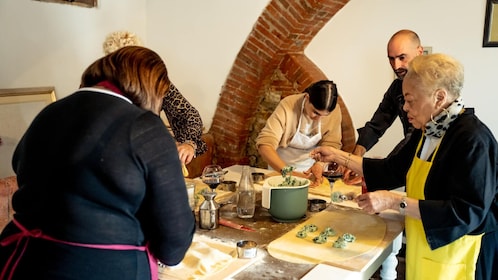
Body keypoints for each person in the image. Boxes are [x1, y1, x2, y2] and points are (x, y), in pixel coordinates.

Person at [0, 46, 195, 279]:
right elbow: (173, 247)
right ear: (153, 88)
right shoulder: (144, 127)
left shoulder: (50, 112)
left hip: (21, 261)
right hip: (103, 268)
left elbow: (20, 166)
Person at [311, 53, 498, 280]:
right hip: (427, 249)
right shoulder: (427, 131)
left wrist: (393, 201)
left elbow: (466, 213)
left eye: (410, 100)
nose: (405, 108)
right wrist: (338, 156)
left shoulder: (473, 139)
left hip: (462, 255)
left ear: (439, 97)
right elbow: (390, 171)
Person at [103, 31, 206, 165]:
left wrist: (189, 144)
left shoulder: (155, 82)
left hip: (151, 157)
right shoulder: (101, 88)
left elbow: (188, 115)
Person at [344, 29, 424, 184]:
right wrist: (355, 158)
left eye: (402, 58)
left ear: (419, 52)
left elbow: (413, 138)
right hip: (411, 170)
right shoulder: (396, 87)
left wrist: (376, 172)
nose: (396, 65)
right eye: (391, 59)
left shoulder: (432, 85)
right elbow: (376, 125)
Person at [256, 80, 342, 186]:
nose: (318, 119)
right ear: (307, 97)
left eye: (324, 115)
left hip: (310, 171)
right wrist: (288, 173)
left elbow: (332, 145)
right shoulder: (288, 105)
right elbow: (265, 144)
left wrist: (320, 165)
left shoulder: (335, 111)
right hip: (280, 169)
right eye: (315, 112)